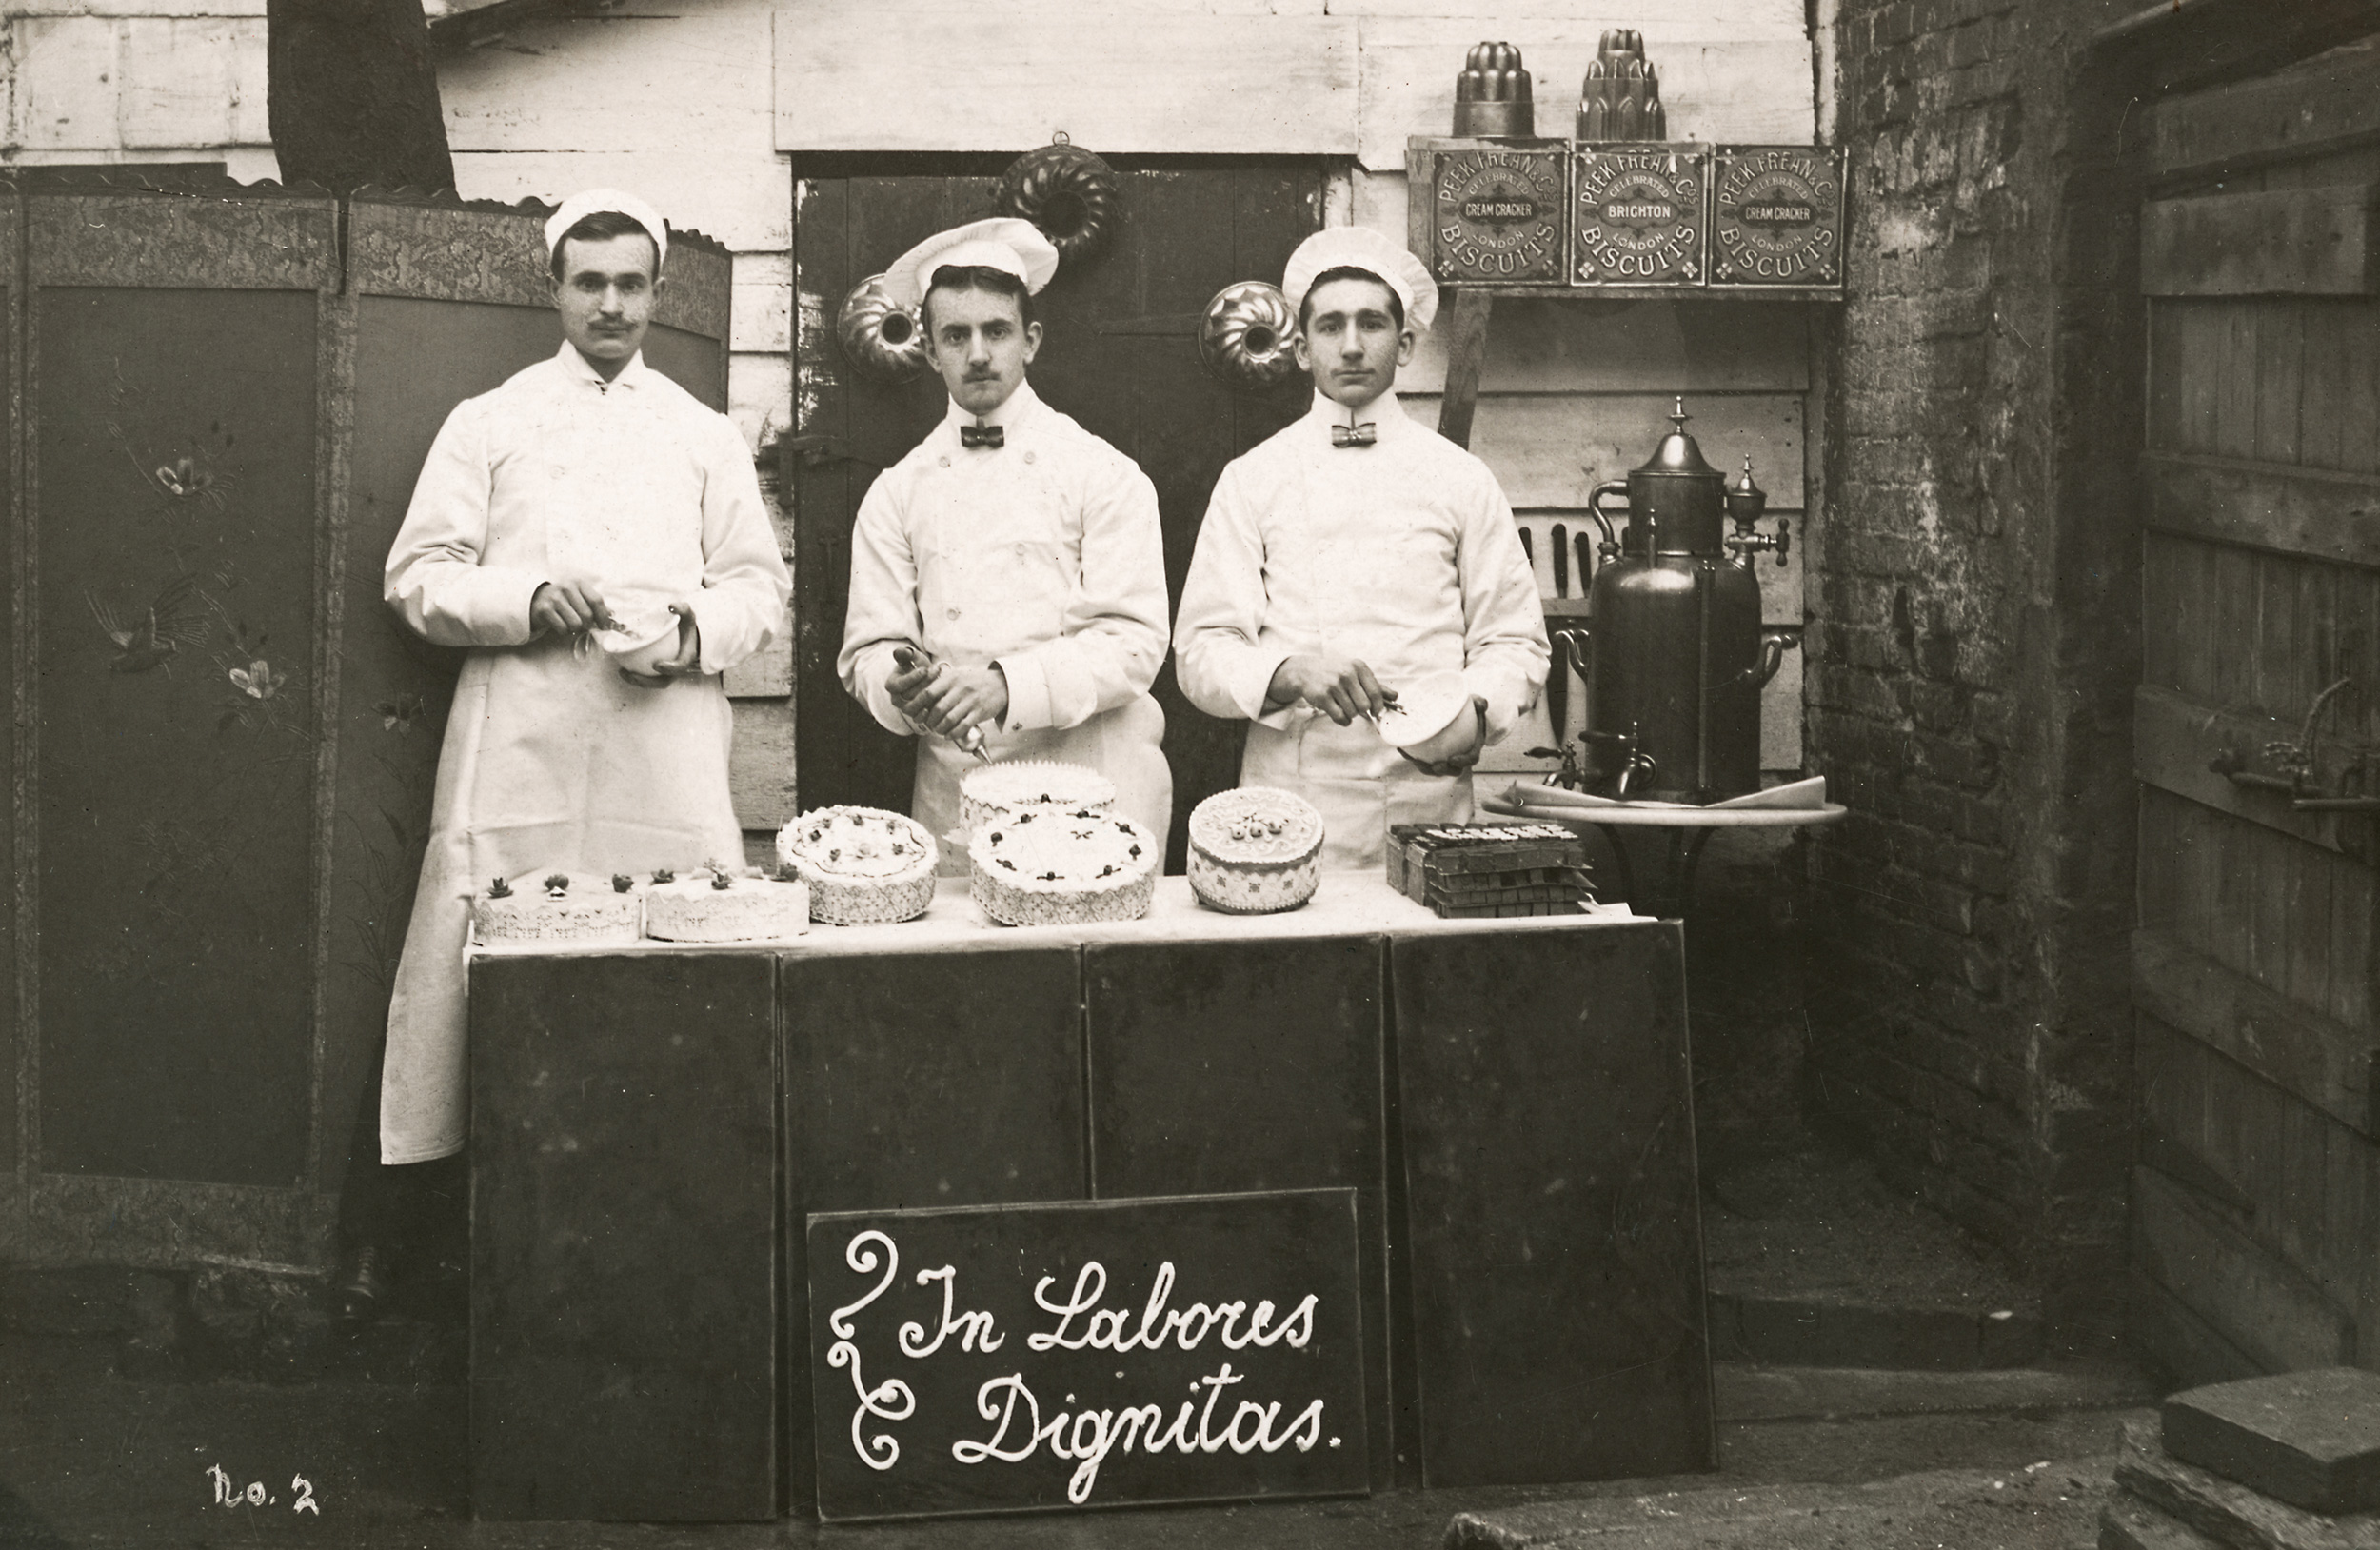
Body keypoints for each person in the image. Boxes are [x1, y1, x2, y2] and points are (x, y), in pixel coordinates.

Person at [340, 189, 790, 1316]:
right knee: (485, 960)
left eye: (631, 283)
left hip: (663, 749)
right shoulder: (488, 421)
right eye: (589, 282)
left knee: (668, 959)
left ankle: (661, 1236)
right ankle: (456, 1247)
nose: (611, 304)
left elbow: (756, 588)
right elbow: (418, 575)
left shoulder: (700, 431)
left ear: (656, 292)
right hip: (521, 744)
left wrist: (690, 636)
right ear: (555, 289)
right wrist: (525, 598)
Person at [1172, 226, 1548, 872]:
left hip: (1431, 804)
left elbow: (1514, 641)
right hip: (1289, 805)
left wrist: (1474, 714)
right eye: (1330, 326)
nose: (1350, 346)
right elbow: (1201, 653)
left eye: (1371, 324)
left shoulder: (1460, 477)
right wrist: (1288, 671)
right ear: (1300, 345)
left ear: (1404, 344)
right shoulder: (1254, 478)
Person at [838, 217, 1172, 867]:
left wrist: (1006, 685)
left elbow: (1133, 644)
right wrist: (901, 685)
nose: (979, 354)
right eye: (956, 336)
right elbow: (870, 650)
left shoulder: (1103, 474)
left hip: (1099, 780)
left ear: (1031, 340)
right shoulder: (896, 492)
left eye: (996, 331)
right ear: (931, 351)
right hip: (961, 786)